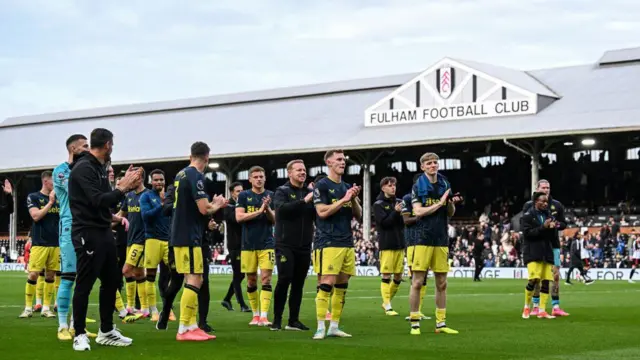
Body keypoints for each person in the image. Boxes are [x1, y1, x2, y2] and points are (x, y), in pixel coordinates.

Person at [68, 128, 142, 350]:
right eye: (113, 145)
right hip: (87, 233)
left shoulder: (100, 168)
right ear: (108, 144)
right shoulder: (84, 168)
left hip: (103, 231)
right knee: (84, 283)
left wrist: (116, 213)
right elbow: (98, 200)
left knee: (112, 282)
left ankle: (106, 331)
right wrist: (123, 187)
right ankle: (79, 333)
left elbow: (108, 203)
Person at [170, 141, 226, 341]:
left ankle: (192, 325)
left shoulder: (181, 174)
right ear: (207, 157)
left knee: (193, 279)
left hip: (181, 233)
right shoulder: (195, 175)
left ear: (190, 155)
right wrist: (217, 204)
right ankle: (184, 328)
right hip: (188, 235)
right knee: (195, 278)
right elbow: (204, 209)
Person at [52, 134, 103, 340]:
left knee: (84, 278)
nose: (88, 149)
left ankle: (76, 324)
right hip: (69, 227)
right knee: (68, 277)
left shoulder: (88, 169)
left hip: (87, 228)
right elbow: (82, 190)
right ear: (73, 149)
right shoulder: (61, 171)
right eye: (85, 146)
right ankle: (62, 325)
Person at [408, 152, 461, 335]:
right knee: (417, 282)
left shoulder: (445, 183)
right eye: (429, 163)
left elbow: (450, 212)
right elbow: (418, 211)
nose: (433, 166)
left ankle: (441, 323)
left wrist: (450, 203)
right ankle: (415, 322)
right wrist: (439, 204)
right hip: (422, 238)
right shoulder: (417, 185)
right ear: (422, 167)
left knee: (442, 283)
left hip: (441, 238)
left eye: (435, 163)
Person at [312, 149, 362, 340]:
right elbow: (322, 212)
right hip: (328, 241)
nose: (343, 162)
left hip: (347, 242)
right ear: (329, 163)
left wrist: (354, 198)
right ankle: (319, 327)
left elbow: (358, 215)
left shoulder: (346, 186)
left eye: (344, 159)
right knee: (327, 283)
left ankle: (334, 326)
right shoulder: (322, 185)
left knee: (342, 285)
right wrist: (344, 200)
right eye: (339, 159)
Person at [271, 159, 316, 331]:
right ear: (289, 173)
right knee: (284, 279)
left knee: (299, 283)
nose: (302, 172)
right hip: (285, 244)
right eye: (298, 170)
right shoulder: (282, 191)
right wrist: (305, 201)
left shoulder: (310, 192)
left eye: (304, 170)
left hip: (304, 244)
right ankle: (277, 319)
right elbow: (281, 211)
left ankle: (293, 320)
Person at [236, 166, 276, 326]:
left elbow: (275, 220)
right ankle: (255, 315)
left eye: (261, 176)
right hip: (248, 245)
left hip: (267, 244)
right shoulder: (244, 195)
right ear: (250, 179)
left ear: (265, 178)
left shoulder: (271, 195)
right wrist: (259, 211)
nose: (259, 179)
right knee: (251, 280)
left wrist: (267, 210)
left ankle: (264, 316)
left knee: (266, 278)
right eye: (256, 176)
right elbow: (239, 217)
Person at [522, 179, 569, 316]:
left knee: (554, 276)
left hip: (553, 244)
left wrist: (556, 225)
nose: (546, 190)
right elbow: (528, 226)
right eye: (543, 187)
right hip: (537, 245)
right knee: (537, 277)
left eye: (548, 187)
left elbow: (564, 224)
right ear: (537, 189)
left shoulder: (556, 205)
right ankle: (536, 306)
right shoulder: (529, 206)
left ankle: (555, 306)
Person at [19, 171, 61, 320]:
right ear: (45, 182)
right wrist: (50, 202)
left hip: (56, 243)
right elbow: (35, 216)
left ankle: (46, 308)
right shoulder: (34, 197)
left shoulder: (59, 199)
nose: (55, 184)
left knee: (51, 275)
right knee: (33, 274)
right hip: (39, 243)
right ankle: (28, 308)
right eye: (53, 182)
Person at [117, 168, 150, 318]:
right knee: (138, 273)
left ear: (140, 178)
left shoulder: (148, 195)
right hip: (130, 239)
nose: (130, 180)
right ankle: (143, 308)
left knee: (125, 270)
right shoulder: (129, 196)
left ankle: (130, 305)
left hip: (141, 240)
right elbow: (120, 215)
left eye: (133, 177)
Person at [140, 169, 172, 321]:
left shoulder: (170, 196)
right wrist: (161, 204)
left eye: (161, 180)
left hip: (168, 240)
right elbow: (146, 217)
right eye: (156, 180)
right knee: (151, 276)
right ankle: (153, 310)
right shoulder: (146, 196)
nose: (159, 182)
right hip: (152, 239)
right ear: (150, 181)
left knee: (175, 273)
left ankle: (168, 308)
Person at [521, 192, 557, 319]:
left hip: (546, 251)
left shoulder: (548, 215)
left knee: (546, 281)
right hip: (533, 252)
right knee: (534, 279)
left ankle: (542, 310)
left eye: (547, 202)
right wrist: (543, 227)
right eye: (543, 201)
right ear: (536, 201)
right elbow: (527, 234)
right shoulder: (527, 216)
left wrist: (553, 228)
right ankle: (526, 307)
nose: (545, 204)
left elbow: (551, 235)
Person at [373, 176, 405, 316]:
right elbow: (384, 223)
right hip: (386, 244)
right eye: (390, 185)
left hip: (400, 243)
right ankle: (387, 306)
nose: (393, 187)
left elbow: (404, 221)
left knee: (398, 277)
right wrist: (396, 212)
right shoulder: (378, 204)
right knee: (386, 275)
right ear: (383, 188)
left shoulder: (400, 202)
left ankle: (386, 301)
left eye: (394, 185)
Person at [401, 173, 429, 321]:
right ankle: (413, 311)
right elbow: (406, 220)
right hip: (413, 241)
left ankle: (419, 310)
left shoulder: (429, 198)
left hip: (428, 241)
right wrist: (420, 216)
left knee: (424, 278)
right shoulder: (407, 199)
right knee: (416, 278)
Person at [221, 181, 250, 312]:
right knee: (238, 274)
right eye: (238, 191)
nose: (241, 193)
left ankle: (227, 299)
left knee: (241, 275)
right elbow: (236, 219)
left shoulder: (243, 204)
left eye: (242, 190)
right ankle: (242, 304)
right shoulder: (228, 206)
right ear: (232, 193)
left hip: (245, 243)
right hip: (235, 245)